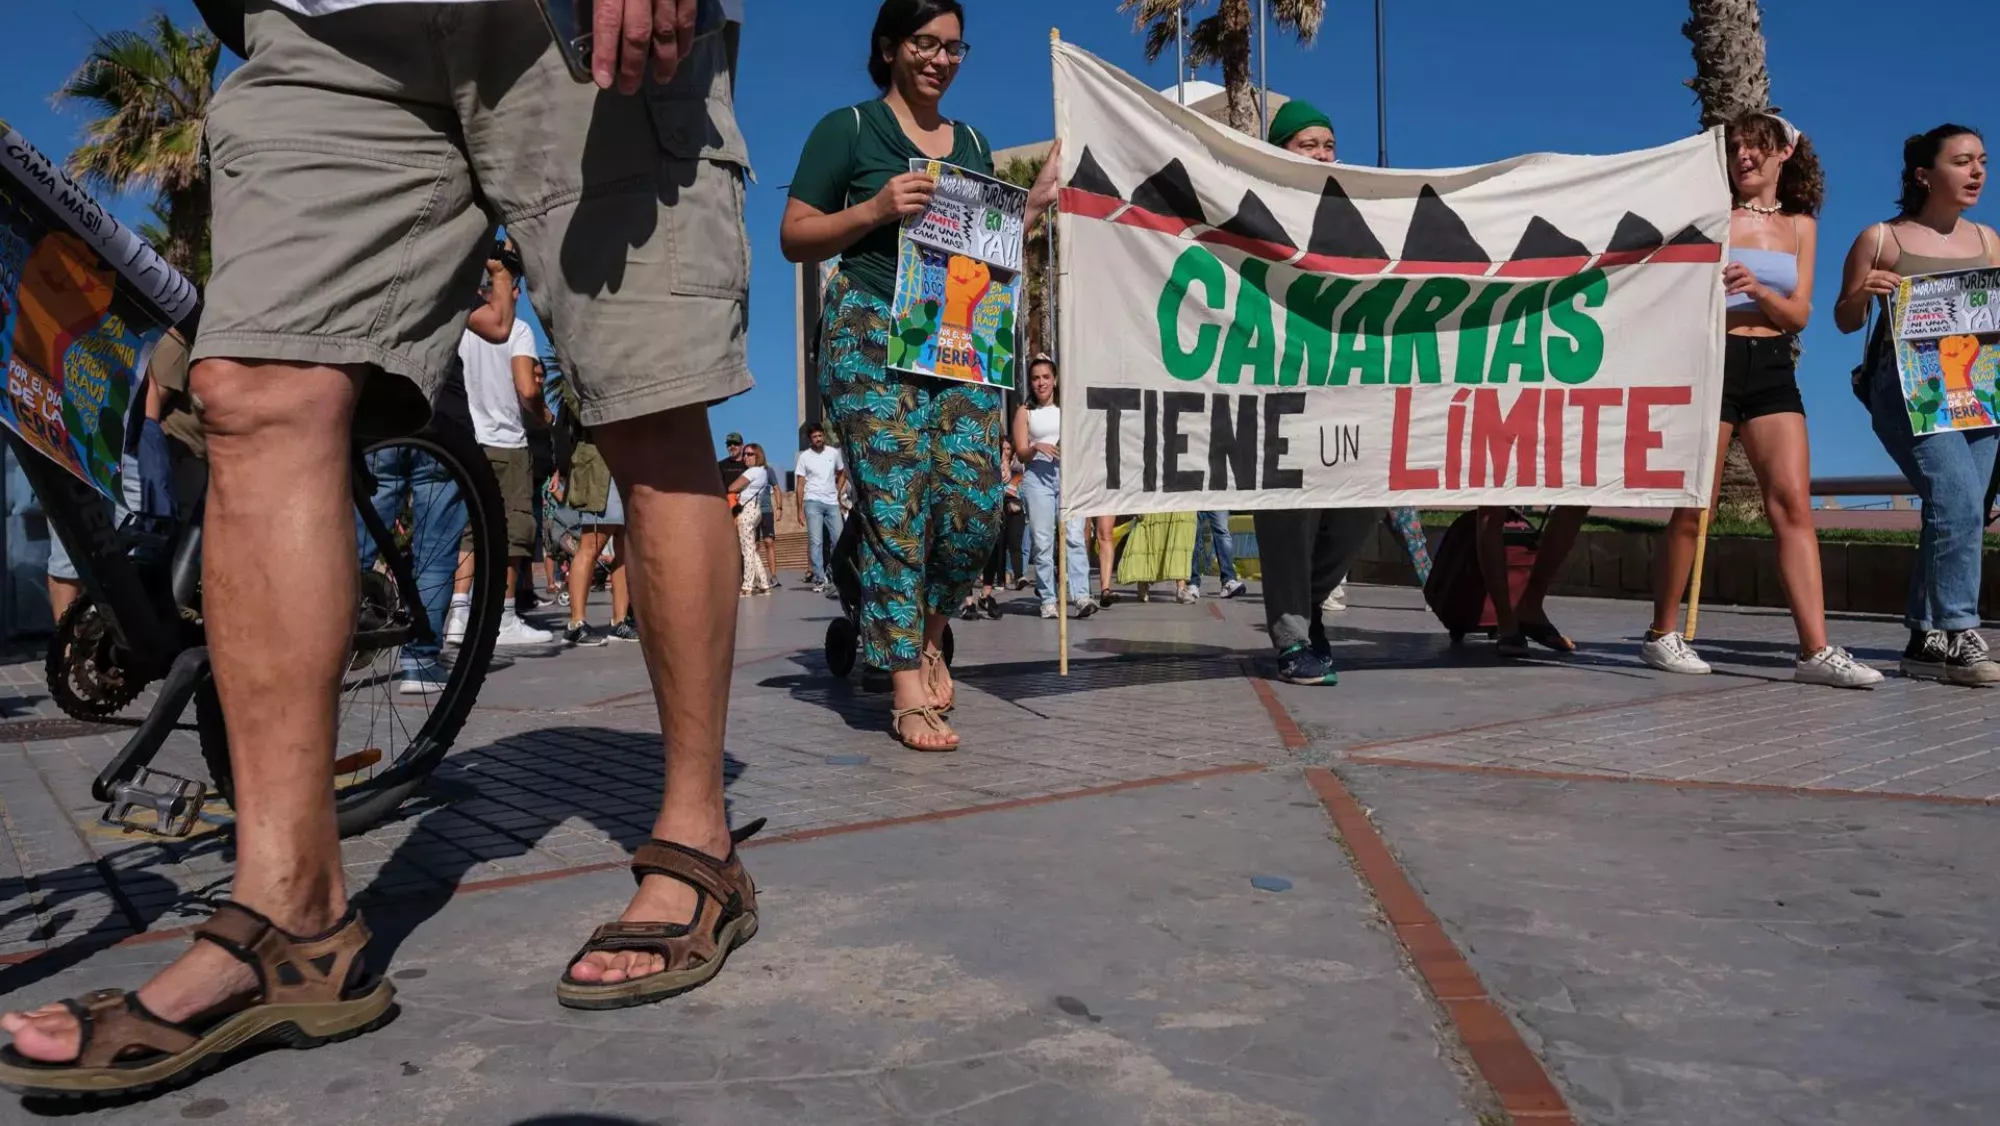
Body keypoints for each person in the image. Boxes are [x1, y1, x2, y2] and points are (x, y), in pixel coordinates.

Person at [0, 1, 759, 1088]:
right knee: (251, 388)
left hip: (558, 21)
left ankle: (699, 838)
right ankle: (290, 915)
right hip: (325, 28)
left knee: (648, 398)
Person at [781, 0, 1060, 752]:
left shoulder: (971, 140)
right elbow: (795, 235)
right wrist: (873, 207)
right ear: (890, 48)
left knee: (972, 505)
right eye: (924, 43)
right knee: (899, 503)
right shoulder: (848, 129)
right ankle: (904, 686)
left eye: (953, 47)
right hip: (869, 324)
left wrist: (1028, 212)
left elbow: (983, 250)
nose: (940, 58)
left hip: (954, 335)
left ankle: (926, 631)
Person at [1637, 113, 1880, 688]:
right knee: (1695, 504)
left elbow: (1799, 315)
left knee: (1792, 504)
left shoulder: (1801, 225)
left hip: (1771, 367)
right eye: (1735, 146)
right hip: (1712, 361)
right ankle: (1660, 634)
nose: (1743, 155)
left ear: (1784, 154)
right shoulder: (1713, 216)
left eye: (1755, 146)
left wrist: (1759, 291)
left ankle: (1814, 651)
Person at [1835, 123, 1998, 686]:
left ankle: (1924, 640)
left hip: (1977, 388)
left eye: (1981, 160)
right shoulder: (1881, 238)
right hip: (1909, 390)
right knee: (1957, 498)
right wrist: (1864, 292)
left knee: (1959, 507)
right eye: (1962, 161)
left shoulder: (1989, 241)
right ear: (1924, 174)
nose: (1976, 171)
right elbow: (1844, 319)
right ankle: (1958, 630)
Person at [1251, 99, 1384, 684]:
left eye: (1329, 145)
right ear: (1281, 151)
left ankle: (1306, 606)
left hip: (1344, 384)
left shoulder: (1350, 218)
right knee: (1289, 514)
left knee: (1363, 502)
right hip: (1274, 383)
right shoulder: (1252, 216)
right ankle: (1293, 636)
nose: (1324, 156)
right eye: (1309, 145)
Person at [459, 256, 557, 648]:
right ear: (509, 289)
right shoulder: (517, 330)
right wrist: (544, 414)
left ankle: (458, 612)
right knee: (512, 531)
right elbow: (528, 389)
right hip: (506, 441)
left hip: (467, 438)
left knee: (469, 531)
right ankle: (504, 617)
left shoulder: (465, 324)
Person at [1011, 359, 1097, 621]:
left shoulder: (1067, 408)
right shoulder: (1025, 412)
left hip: (1068, 476)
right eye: (1036, 378)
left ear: (1055, 379)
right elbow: (1021, 453)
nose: (1041, 382)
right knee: (1043, 540)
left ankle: (1081, 595)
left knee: (1074, 536)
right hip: (1038, 478)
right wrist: (1037, 447)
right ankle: (1048, 598)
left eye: (1046, 376)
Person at [963, 436, 1022, 620]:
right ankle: (968, 602)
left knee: (994, 548)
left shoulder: (998, 454)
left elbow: (1007, 478)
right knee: (968, 550)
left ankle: (986, 594)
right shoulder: (966, 444)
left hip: (993, 503)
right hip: (970, 498)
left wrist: (1004, 468)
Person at [794, 424, 847, 591]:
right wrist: (798, 509)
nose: (819, 439)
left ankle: (831, 574)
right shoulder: (804, 457)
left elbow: (842, 472)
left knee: (838, 540)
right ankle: (819, 579)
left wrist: (837, 492)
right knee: (816, 541)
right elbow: (800, 484)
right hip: (812, 502)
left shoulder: (833, 453)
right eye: (815, 437)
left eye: (820, 436)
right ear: (810, 439)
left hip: (831, 502)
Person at [727, 444, 777, 596]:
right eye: (745, 454)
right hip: (756, 510)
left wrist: (739, 490)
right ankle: (764, 584)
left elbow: (731, 487)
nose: (745, 457)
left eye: (749, 454)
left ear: (758, 456)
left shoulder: (753, 471)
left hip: (747, 511)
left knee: (746, 550)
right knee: (751, 550)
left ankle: (747, 586)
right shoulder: (763, 472)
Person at [1193, 511, 1246, 598]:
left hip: (1217, 498)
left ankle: (1228, 581)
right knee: (1193, 533)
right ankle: (1192, 583)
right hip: (1192, 498)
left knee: (1222, 532)